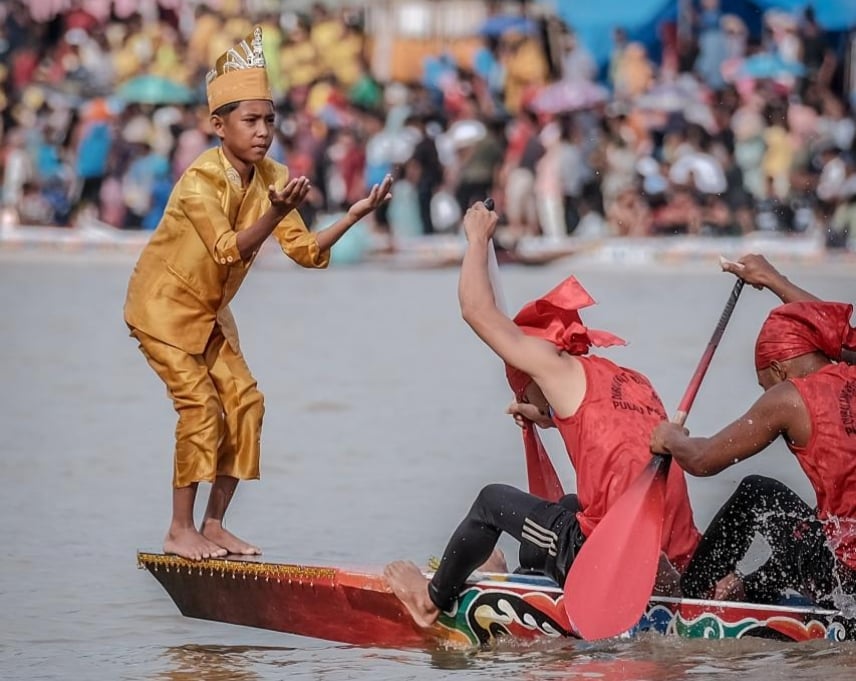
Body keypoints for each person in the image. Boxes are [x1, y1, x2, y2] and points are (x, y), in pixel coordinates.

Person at [123, 27, 392, 562]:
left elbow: (306, 253)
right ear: (217, 126)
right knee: (200, 408)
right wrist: (273, 211)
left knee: (245, 402)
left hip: (210, 313)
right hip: (163, 312)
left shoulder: (273, 175)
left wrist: (354, 215)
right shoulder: (201, 181)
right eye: (250, 120)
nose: (264, 131)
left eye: (269, 119)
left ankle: (214, 524)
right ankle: (180, 529)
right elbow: (227, 250)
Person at [384, 201, 701, 627]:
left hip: (615, 558)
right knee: (566, 504)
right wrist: (541, 412)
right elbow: (610, 436)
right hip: (672, 550)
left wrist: (477, 238)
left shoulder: (555, 367)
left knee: (491, 502)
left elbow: (477, 312)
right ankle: (525, 584)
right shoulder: (627, 379)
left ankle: (431, 599)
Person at [650, 254, 856, 606]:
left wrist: (671, 439)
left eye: (764, 386)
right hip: (838, 559)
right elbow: (833, 327)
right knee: (796, 537)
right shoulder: (849, 370)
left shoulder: (789, 399)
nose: (766, 394)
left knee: (757, 494)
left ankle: (687, 601)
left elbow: (702, 461)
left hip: (846, 575)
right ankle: (744, 592)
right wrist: (775, 279)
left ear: (778, 370)